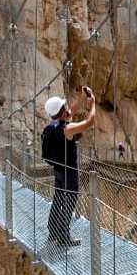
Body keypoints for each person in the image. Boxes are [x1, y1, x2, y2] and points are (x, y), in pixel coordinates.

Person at [41, 86, 96, 247]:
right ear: (62, 112)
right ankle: (63, 237)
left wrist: (82, 98)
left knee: (58, 200)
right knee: (69, 203)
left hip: (58, 171)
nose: (68, 108)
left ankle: (53, 231)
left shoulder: (52, 126)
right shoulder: (68, 129)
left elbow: (70, 110)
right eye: (64, 107)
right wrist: (93, 104)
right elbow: (90, 122)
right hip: (70, 173)